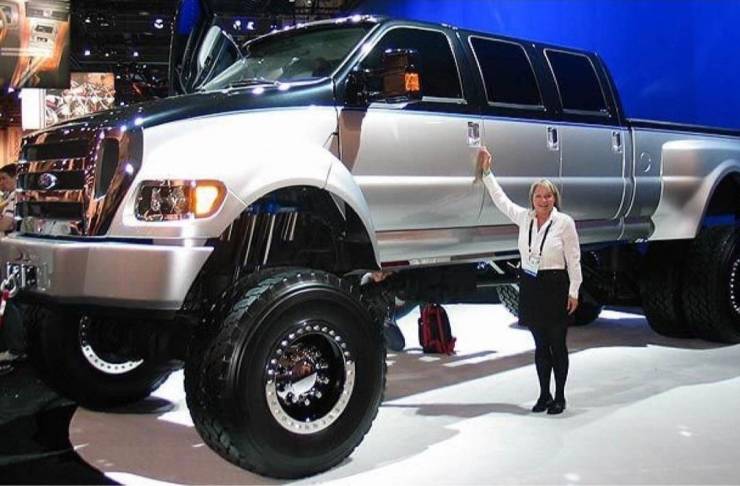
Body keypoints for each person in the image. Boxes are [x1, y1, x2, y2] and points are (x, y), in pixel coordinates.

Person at [477, 147, 582, 415]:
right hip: (531, 284)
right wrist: (487, 173)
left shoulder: (564, 223)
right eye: (538, 196)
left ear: (554, 199)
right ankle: (544, 394)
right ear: (532, 199)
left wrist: (574, 291)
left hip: (556, 284)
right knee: (540, 345)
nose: (543, 200)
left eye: (548, 196)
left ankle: (560, 396)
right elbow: (501, 201)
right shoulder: (525, 218)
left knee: (557, 344)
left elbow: (574, 259)